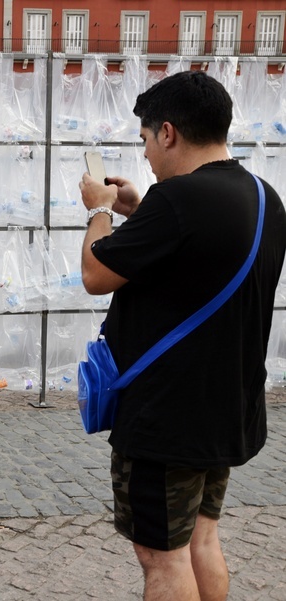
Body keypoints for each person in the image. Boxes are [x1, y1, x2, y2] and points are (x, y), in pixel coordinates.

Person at [79, 70, 286, 600]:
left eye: (145, 139)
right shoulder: (264, 197)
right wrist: (138, 207)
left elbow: (96, 275)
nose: (145, 153)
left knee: (160, 557)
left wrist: (100, 209)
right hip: (225, 407)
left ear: (168, 132)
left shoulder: (178, 201)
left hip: (167, 419)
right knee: (202, 539)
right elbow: (197, 251)